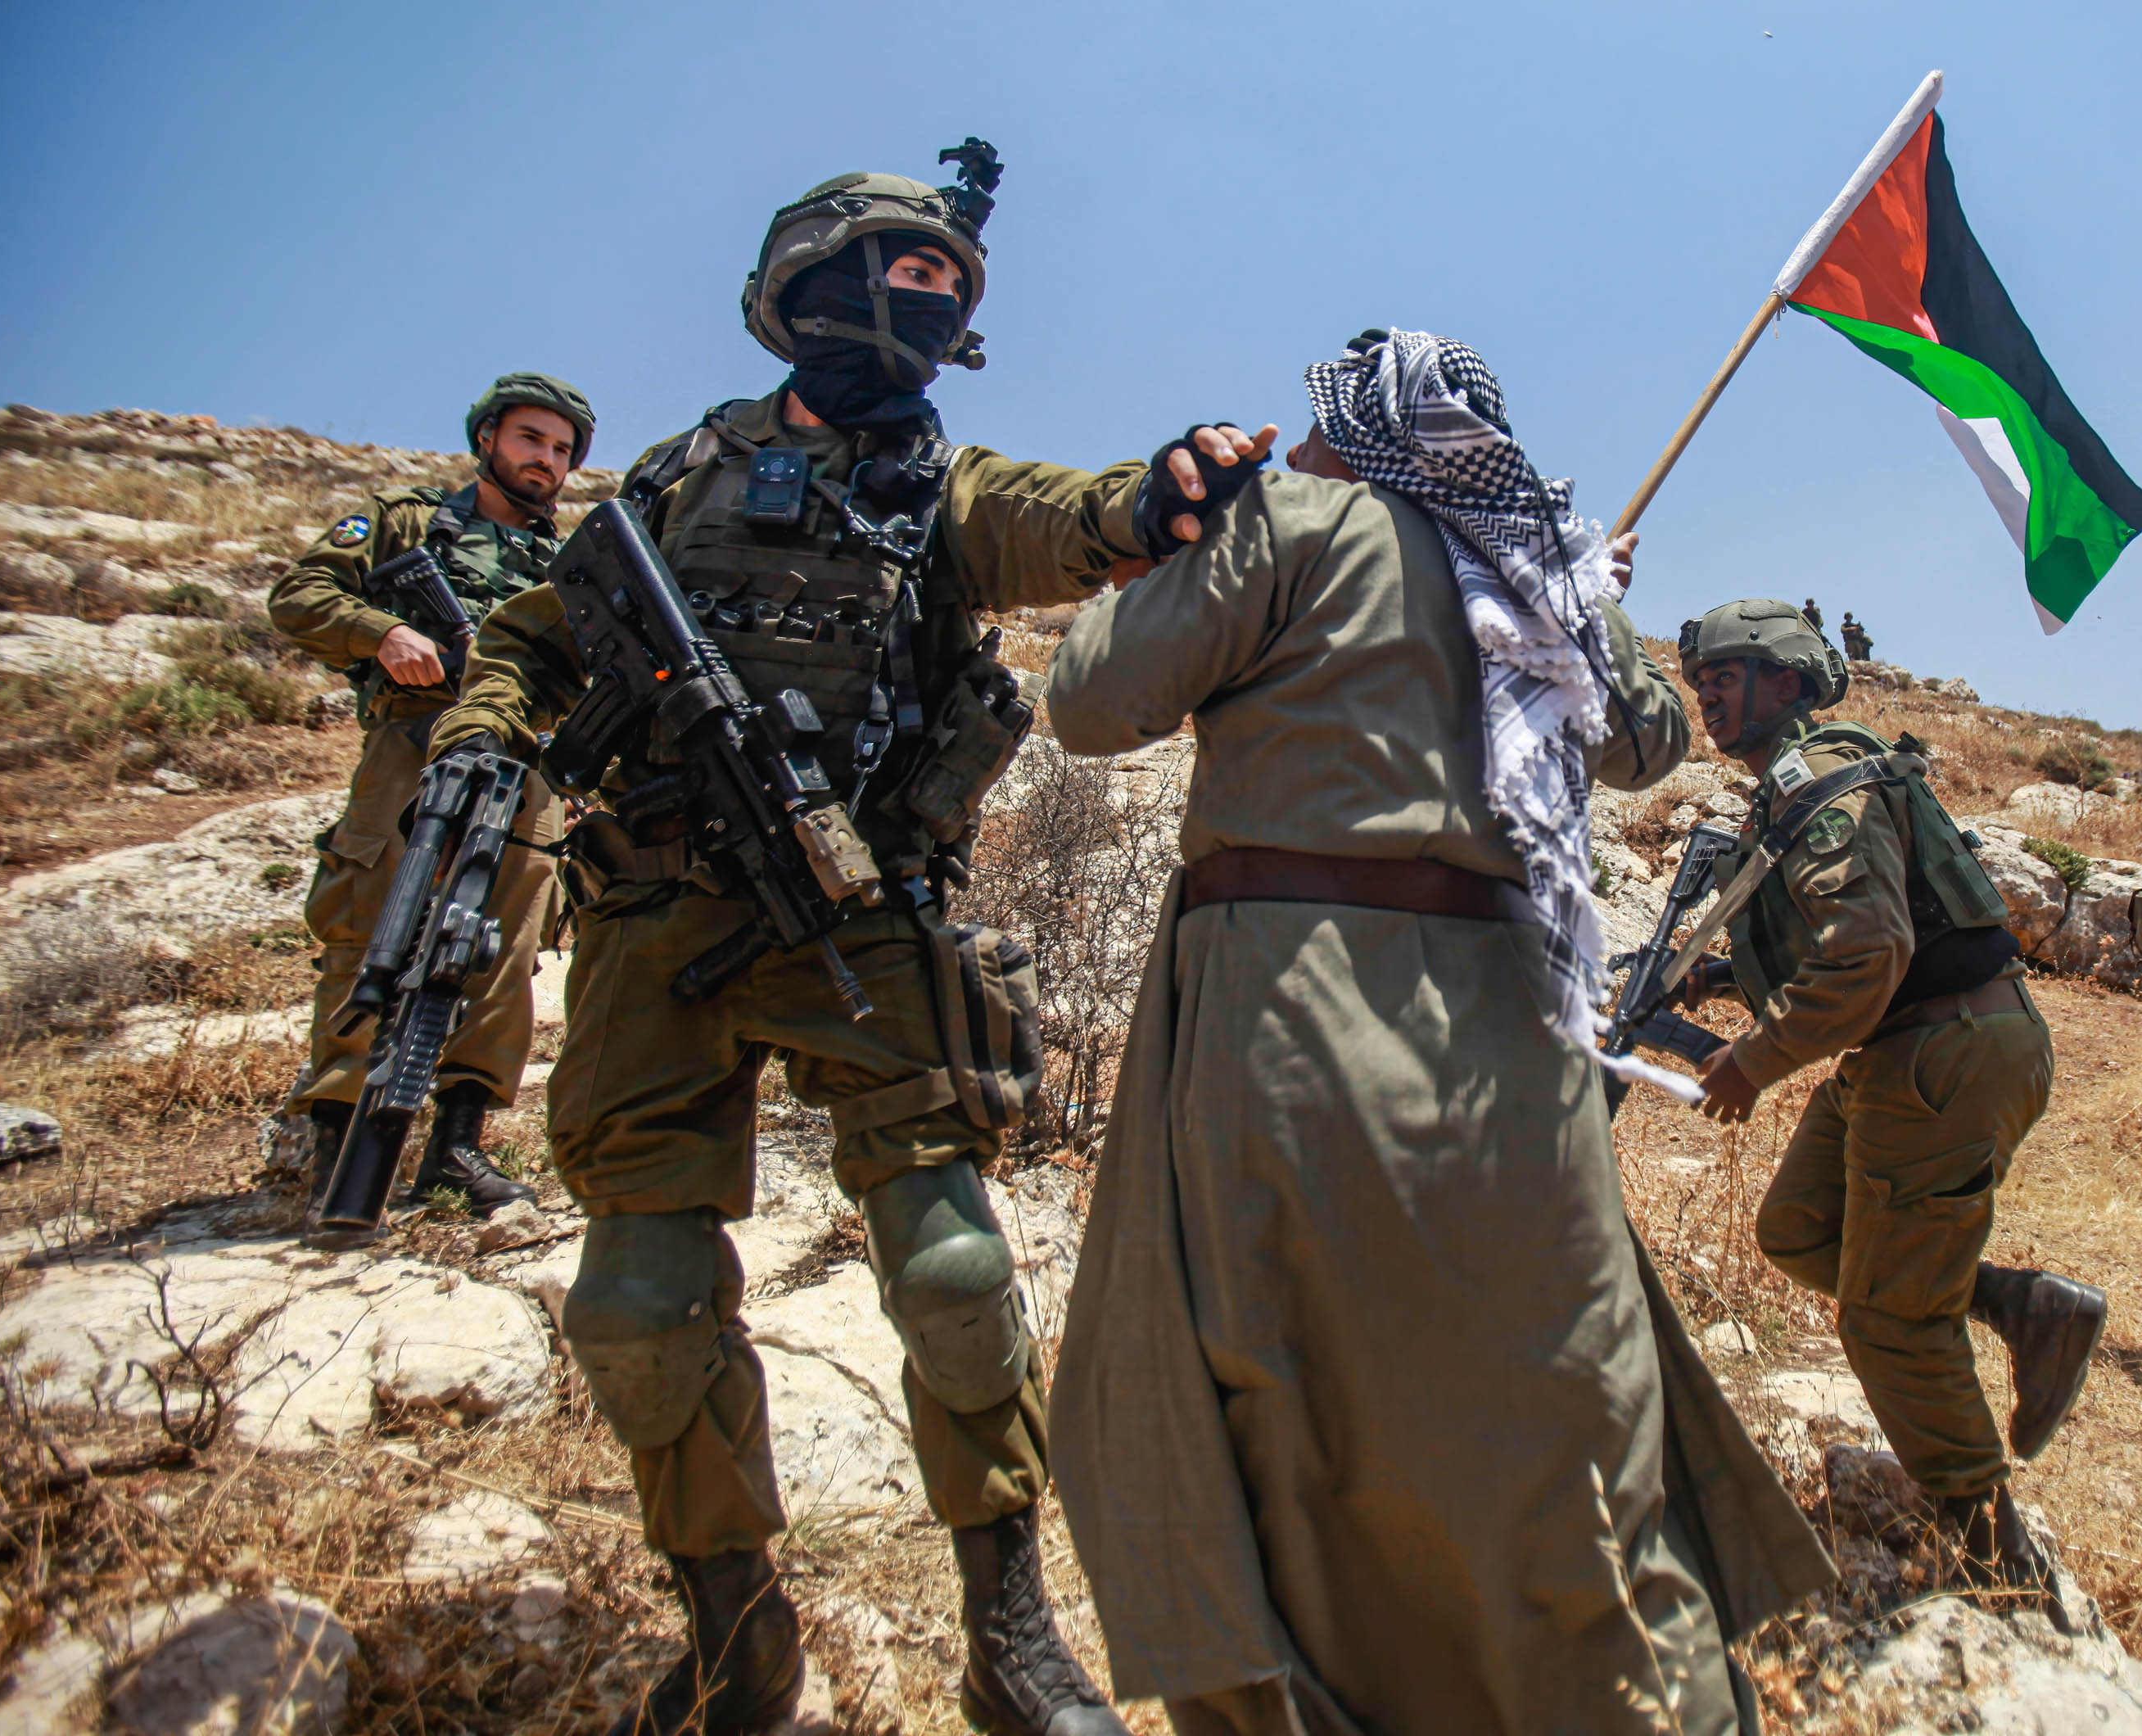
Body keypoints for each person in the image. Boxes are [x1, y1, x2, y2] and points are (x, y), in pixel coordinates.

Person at [430, 150, 1271, 1736]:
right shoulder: (670, 479)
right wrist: (485, 735)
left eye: (952, 282)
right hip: (649, 921)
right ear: (809, 281)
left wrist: (1159, 496)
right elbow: (537, 638)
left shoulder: (941, 488)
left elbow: (1072, 521)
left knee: (953, 1272)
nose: (932, 301)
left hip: (860, 919)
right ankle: (734, 1634)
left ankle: (1008, 1635)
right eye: (911, 270)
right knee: (635, 1295)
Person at [1046, 331, 1832, 1736]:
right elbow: (1646, 740)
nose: (1294, 452)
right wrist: (1590, 597)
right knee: (1562, 1393)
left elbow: (1092, 701)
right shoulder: (1536, 574)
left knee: (1286, 1397)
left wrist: (1173, 550)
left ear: (1357, 438)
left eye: (1316, 431)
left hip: (1292, 1005)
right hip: (1517, 1027)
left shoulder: (1285, 522)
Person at [1667, 599, 2103, 1589]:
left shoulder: (1812, 775)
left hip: (1941, 1048)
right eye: (1700, 681)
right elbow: (1865, 924)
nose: (1706, 696)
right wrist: (1721, 978)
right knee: (1798, 1228)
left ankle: (1994, 1555)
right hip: (1914, 1044)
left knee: (1887, 1320)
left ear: (1785, 681)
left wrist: (1755, 1059)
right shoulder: (1799, 782)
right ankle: (2020, 1303)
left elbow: (1869, 950)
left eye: (1724, 677)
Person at [268, 373, 591, 1214]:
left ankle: (455, 1149)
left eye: (561, 450)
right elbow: (301, 596)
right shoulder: (404, 521)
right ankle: (339, 1145)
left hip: (528, 761)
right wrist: (385, 633)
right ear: (487, 438)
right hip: (411, 745)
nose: (545, 460)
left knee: (506, 945)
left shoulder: (569, 563)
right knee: (368, 924)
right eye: (530, 439)